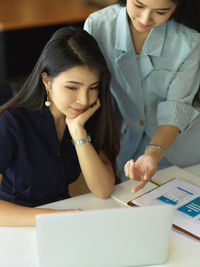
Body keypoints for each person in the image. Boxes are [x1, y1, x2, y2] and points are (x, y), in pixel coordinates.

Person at [0, 27, 120, 226]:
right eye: (72, 87)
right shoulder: (11, 122)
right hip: (15, 228)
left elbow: (104, 189)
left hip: (59, 226)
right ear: (46, 80)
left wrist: (77, 131)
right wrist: (53, 218)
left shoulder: (85, 118)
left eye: (93, 88)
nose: (84, 100)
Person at [84, 0, 200, 192]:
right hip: (125, 142)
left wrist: (153, 153)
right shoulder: (98, 26)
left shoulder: (189, 40)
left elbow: (176, 108)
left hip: (179, 147)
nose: (145, 18)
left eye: (161, 11)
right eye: (139, 5)